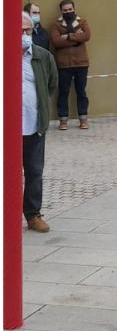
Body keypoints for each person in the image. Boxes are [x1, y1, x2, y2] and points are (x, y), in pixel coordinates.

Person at [21, 13, 58, 233]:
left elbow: (51, 85)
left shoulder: (42, 56)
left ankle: (33, 214)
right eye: (21, 31)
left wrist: (41, 109)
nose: (26, 35)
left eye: (29, 30)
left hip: (34, 125)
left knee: (34, 171)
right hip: (7, 128)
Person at [50, 0, 91, 130]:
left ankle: (83, 119)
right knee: (63, 92)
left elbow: (87, 36)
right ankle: (63, 120)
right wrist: (76, 38)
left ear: (74, 8)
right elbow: (56, 42)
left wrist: (66, 36)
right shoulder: (56, 25)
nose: (68, 12)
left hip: (81, 63)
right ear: (61, 11)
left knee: (81, 92)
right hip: (64, 65)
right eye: (65, 10)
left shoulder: (82, 22)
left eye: (70, 9)